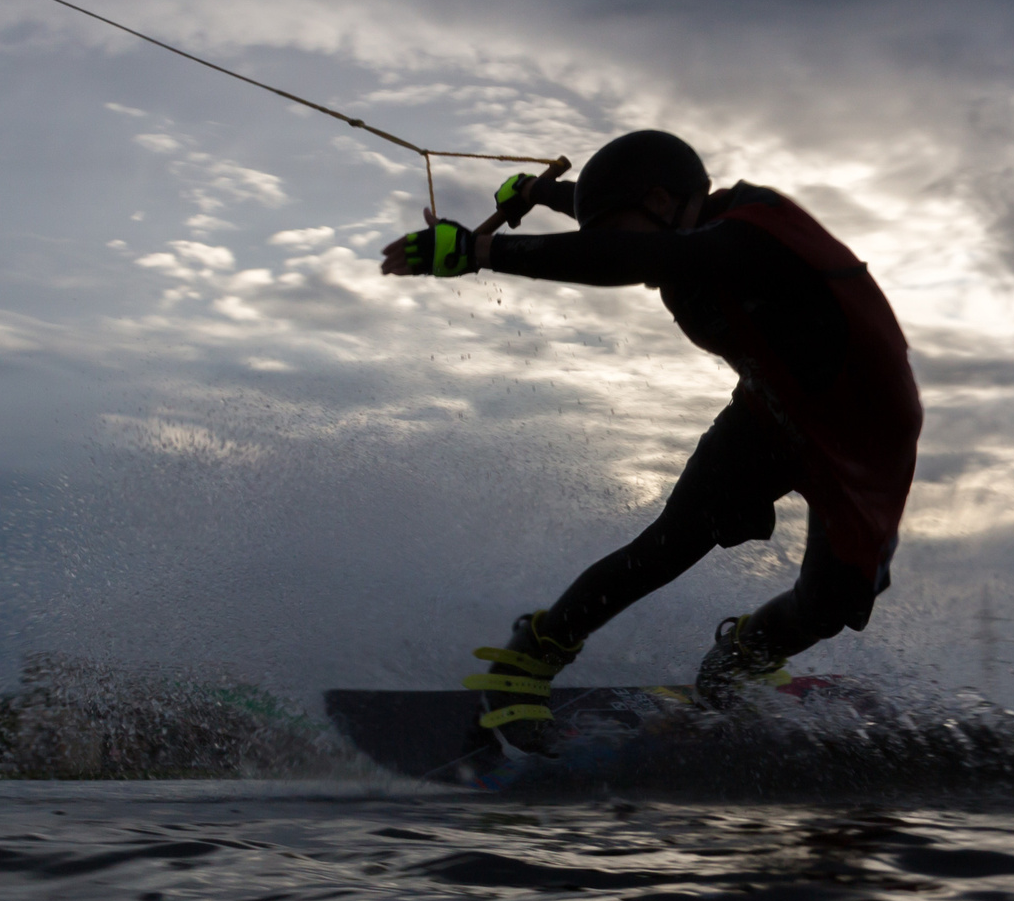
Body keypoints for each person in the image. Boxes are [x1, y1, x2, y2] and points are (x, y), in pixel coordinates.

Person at [380, 130, 923, 753]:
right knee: (670, 544)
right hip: (771, 415)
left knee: (834, 604)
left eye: (615, 228)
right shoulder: (672, 226)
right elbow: (622, 234)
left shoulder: (752, 233)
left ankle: (738, 663)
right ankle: (525, 663)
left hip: (865, 445)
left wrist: (480, 249)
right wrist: (537, 192)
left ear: (664, 203)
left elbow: (634, 252)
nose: (609, 243)